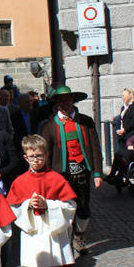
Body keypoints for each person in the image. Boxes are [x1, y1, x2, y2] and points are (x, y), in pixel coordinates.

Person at [7, 135, 77, 267]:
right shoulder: (20, 182)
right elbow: (12, 208)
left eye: (39, 156)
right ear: (25, 157)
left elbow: (70, 206)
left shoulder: (57, 179)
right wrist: (27, 206)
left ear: (46, 155)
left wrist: (49, 205)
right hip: (34, 235)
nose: (36, 160)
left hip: (54, 236)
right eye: (31, 156)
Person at [42, 85, 103, 256]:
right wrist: (45, 177)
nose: (65, 103)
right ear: (56, 103)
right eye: (61, 100)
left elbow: (95, 148)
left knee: (83, 208)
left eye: (68, 100)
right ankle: (66, 242)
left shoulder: (86, 122)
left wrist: (98, 173)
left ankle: (79, 234)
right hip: (60, 175)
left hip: (83, 172)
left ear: (73, 101)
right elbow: (46, 154)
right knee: (64, 209)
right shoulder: (49, 126)